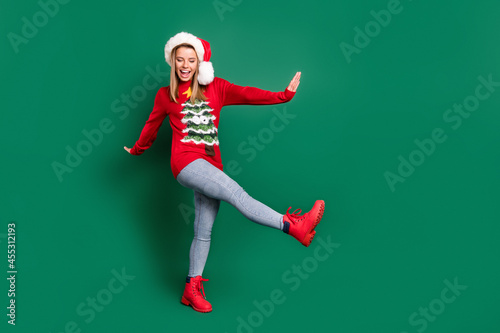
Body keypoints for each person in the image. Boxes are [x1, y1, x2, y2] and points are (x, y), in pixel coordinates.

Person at [124, 31, 325, 313]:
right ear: (173, 62)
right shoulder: (165, 95)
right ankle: (292, 225)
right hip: (186, 163)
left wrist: (283, 96)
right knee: (237, 194)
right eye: (179, 60)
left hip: (211, 166)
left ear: (200, 63)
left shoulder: (216, 87)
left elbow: (246, 94)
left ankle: (190, 289)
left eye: (190, 60)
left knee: (203, 231)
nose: (184, 65)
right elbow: (151, 125)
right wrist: (137, 148)